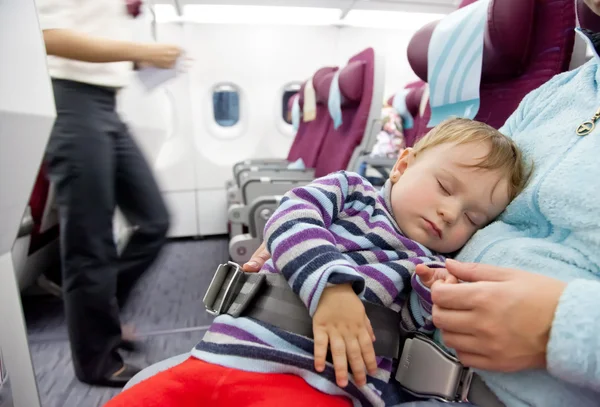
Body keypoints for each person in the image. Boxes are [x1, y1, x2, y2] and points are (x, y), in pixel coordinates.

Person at [105, 117, 529, 407]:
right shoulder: (351, 191)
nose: (451, 214)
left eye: (474, 218)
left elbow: (414, 335)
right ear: (402, 165)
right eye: (443, 187)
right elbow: (291, 217)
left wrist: (433, 295)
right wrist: (332, 288)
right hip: (220, 358)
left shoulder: (430, 261)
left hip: (318, 390)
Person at [35, 0, 182, 387]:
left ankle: (103, 319)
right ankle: (97, 360)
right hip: (70, 100)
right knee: (90, 240)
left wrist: (137, 61)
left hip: (106, 105)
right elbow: (47, 36)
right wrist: (140, 51)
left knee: (154, 220)